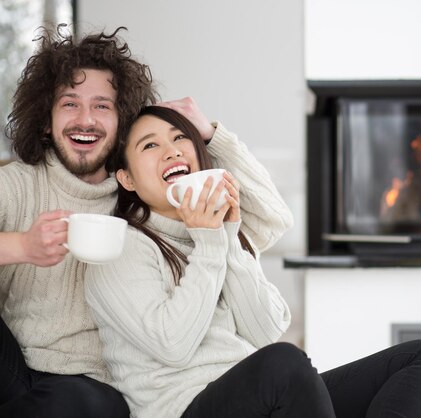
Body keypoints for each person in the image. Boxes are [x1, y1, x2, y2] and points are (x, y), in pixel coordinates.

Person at [0, 26, 293, 417]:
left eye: (102, 106)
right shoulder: (17, 185)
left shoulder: (143, 193)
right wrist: (21, 246)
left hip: (101, 384)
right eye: (69, 104)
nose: (85, 119)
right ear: (45, 120)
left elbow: (270, 220)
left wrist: (210, 135)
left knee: (85, 405)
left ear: (122, 122)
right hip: (15, 366)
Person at [85, 105, 421, 418]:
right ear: (127, 179)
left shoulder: (217, 231)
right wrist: (210, 242)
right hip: (186, 409)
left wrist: (227, 234)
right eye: (150, 145)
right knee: (284, 363)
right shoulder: (123, 249)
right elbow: (173, 345)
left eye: (180, 138)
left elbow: (265, 330)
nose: (172, 151)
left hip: (259, 400)